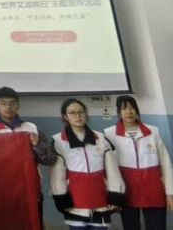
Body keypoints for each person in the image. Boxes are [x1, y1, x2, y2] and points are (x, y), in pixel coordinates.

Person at [0, 87, 57, 227]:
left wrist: (37, 144)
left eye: (12, 103)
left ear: (18, 105)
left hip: (29, 191)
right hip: (0, 192)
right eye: (3, 103)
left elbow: (50, 159)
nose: (8, 107)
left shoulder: (31, 128)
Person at [103, 95, 173, 230]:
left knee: (157, 226)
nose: (129, 112)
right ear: (118, 112)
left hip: (153, 189)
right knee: (130, 226)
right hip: (126, 190)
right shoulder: (109, 134)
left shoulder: (152, 131)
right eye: (124, 108)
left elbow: (166, 163)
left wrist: (171, 192)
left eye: (132, 108)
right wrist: (112, 195)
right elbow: (107, 168)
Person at [50, 98, 125, 229]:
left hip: (100, 201)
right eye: (72, 113)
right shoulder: (58, 141)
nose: (77, 116)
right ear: (65, 116)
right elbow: (56, 176)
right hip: (74, 205)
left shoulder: (101, 138)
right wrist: (61, 199)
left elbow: (113, 171)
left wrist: (115, 196)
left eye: (81, 112)